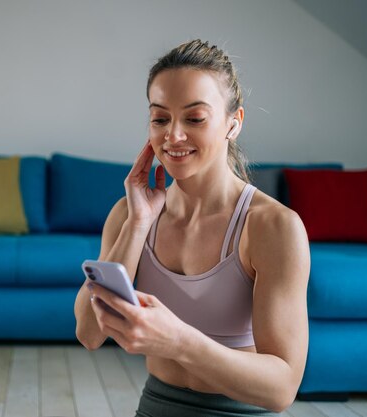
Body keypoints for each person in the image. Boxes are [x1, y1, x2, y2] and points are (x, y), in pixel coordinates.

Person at [73, 39, 310, 416]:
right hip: (156, 406)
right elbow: (88, 333)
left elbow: (281, 388)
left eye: (195, 118)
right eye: (160, 118)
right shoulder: (129, 214)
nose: (174, 136)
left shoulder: (273, 226)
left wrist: (178, 340)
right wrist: (138, 224)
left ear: (234, 123)